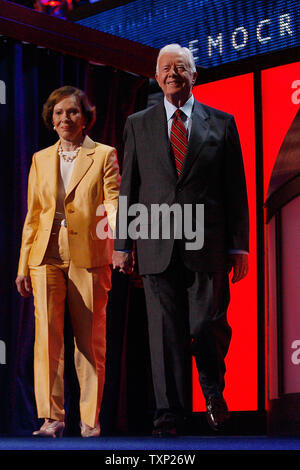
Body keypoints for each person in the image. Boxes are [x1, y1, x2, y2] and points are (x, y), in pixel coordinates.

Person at [113, 44, 249, 436]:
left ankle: (212, 391)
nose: (173, 73)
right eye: (165, 68)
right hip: (155, 242)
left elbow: (235, 190)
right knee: (164, 334)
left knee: (207, 324)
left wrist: (239, 245)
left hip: (207, 243)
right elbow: (130, 188)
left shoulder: (221, 123)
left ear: (195, 75)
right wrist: (123, 244)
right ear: (156, 76)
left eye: (181, 67)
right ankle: (168, 414)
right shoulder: (138, 123)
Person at [16, 86, 120, 438]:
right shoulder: (40, 158)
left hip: (89, 253)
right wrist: (21, 265)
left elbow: (113, 204)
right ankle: (52, 418)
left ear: (85, 117)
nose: (65, 118)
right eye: (58, 113)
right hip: (43, 254)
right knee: (47, 338)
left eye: (72, 112)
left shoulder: (104, 154)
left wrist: (120, 243)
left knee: (90, 340)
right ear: (51, 118)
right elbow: (33, 215)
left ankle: (89, 419)